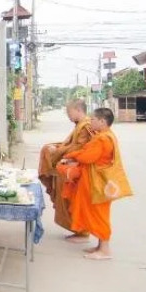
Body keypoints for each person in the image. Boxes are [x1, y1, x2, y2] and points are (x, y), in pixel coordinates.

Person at [57, 108, 133, 260]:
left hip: (97, 184)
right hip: (95, 182)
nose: (90, 121)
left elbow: (87, 157)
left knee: (99, 216)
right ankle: (100, 247)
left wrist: (70, 155)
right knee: (95, 213)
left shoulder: (102, 139)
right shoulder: (105, 135)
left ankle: (105, 250)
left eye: (93, 119)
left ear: (102, 122)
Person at [37, 100, 93, 242]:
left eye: (69, 112)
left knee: (75, 202)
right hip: (70, 166)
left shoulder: (86, 126)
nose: (68, 115)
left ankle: (83, 232)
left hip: (77, 170)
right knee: (47, 148)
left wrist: (57, 151)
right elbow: (71, 145)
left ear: (78, 110)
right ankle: (79, 231)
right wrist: (56, 149)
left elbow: (79, 148)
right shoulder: (80, 125)